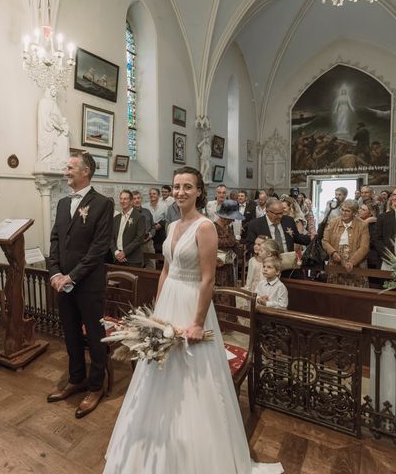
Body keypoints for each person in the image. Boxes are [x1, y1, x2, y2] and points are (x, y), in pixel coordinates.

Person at [104, 166, 282, 473]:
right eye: (176, 186)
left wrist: (198, 322)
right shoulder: (172, 226)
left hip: (192, 303)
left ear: (199, 191)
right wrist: (157, 311)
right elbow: (164, 270)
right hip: (169, 300)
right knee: (157, 369)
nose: (181, 191)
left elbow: (208, 278)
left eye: (188, 186)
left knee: (191, 373)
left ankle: (195, 453)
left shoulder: (205, 227)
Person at [47, 152, 114, 418]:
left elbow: (99, 248)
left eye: (70, 167)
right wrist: (54, 272)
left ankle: (96, 386)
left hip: (87, 284)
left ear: (85, 171)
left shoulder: (102, 203)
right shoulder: (63, 203)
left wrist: (72, 276)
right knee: (71, 333)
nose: (66, 171)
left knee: (95, 338)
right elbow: (55, 240)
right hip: (62, 283)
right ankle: (77, 378)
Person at [322, 199, 370, 287]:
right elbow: (325, 241)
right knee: (335, 290)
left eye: (347, 211)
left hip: (356, 262)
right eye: (342, 210)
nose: (344, 213)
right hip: (335, 260)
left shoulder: (362, 225)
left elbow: (364, 247)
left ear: (354, 213)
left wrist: (352, 262)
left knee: (354, 292)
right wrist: (333, 253)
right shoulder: (333, 222)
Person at [245, 198, 311, 258]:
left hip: (287, 261)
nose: (280, 216)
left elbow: (297, 237)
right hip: (267, 264)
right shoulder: (255, 224)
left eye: (281, 213)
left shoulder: (288, 220)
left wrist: (312, 238)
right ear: (267, 212)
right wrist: (261, 250)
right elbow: (250, 245)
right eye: (277, 214)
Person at [214, 200, 242, 306]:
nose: (234, 220)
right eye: (232, 217)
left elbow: (234, 244)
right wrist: (233, 242)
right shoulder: (212, 227)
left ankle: (230, 319)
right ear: (223, 217)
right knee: (219, 297)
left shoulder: (229, 228)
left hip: (229, 267)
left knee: (229, 294)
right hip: (217, 268)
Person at [111, 190, 146, 267]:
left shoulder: (139, 217)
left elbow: (139, 238)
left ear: (131, 201)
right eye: (121, 199)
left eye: (125, 199)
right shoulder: (116, 218)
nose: (122, 201)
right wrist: (116, 252)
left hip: (132, 259)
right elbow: (111, 238)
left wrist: (124, 253)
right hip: (117, 258)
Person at [37, 88, 70, 172]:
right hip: (48, 128)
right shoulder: (44, 101)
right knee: (48, 146)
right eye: (53, 91)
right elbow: (43, 117)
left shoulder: (53, 103)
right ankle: (46, 160)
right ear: (49, 91)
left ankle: (58, 162)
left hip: (55, 129)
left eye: (56, 91)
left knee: (62, 140)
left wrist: (60, 125)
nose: (55, 93)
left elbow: (59, 117)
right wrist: (52, 123)